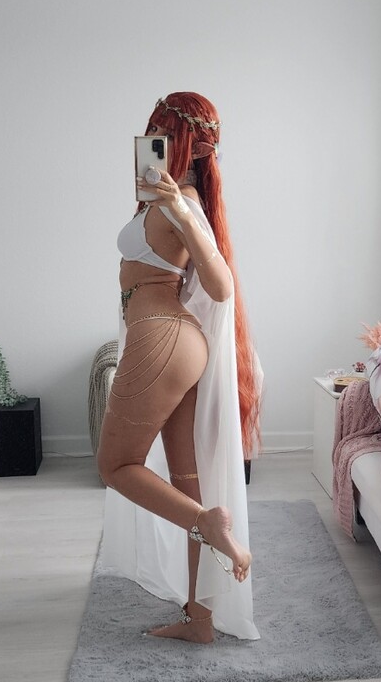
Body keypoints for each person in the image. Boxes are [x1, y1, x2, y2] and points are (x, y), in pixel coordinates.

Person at [96, 92, 262, 644]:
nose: (152, 141)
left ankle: (207, 524)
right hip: (175, 341)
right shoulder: (166, 196)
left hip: (161, 339)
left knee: (116, 465)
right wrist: (160, 201)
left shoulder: (181, 202)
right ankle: (200, 620)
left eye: (160, 133)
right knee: (187, 480)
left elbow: (221, 285)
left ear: (182, 141)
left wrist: (180, 213)